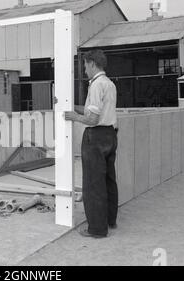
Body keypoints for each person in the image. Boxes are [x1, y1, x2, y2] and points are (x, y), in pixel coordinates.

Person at [64, 50, 118, 239]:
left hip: (95, 138)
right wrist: (72, 107)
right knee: (108, 181)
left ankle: (96, 229)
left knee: (93, 185)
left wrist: (74, 117)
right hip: (110, 135)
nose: (84, 69)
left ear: (93, 64)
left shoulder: (96, 86)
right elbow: (95, 111)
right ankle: (110, 220)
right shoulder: (109, 84)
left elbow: (93, 119)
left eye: (85, 65)